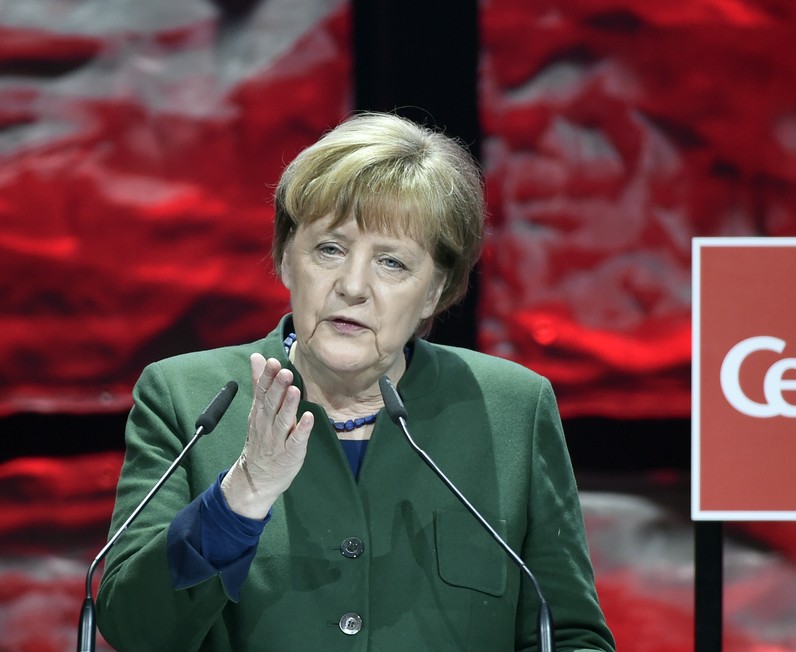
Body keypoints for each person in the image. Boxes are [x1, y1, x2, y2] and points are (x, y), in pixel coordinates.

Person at [95, 112, 616, 651]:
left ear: (435, 292)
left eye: (391, 262)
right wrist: (242, 496)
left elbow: (570, 634)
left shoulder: (511, 407)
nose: (352, 286)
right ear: (285, 259)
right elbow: (134, 629)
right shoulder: (187, 399)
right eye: (330, 249)